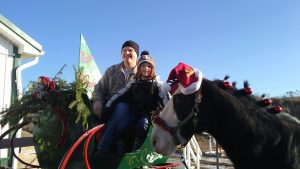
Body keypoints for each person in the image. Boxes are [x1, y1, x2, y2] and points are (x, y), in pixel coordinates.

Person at [105, 51, 168, 153]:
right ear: (139, 68)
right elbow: (121, 94)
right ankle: (120, 151)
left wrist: (168, 113)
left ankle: (137, 151)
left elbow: (164, 98)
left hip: (148, 114)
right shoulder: (134, 82)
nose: (146, 68)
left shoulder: (156, 84)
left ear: (152, 68)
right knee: (121, 127)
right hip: (134, 113)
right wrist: (109, 105)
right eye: (143, 66)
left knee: (143, 125)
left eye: (149, 66)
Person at [92, 40, 139, 154]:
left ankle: (103, 148)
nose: (126, 53)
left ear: (137, 54)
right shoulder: (111, 70)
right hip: (109, 105)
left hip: (131, 108)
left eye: (130, 50)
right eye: (124, 50)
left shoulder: (142, 71)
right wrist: (97, 100)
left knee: (122, 107)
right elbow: (99, 88)